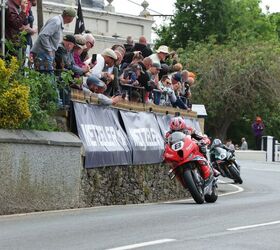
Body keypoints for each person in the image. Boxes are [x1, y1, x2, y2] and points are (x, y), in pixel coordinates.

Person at [31, 7, 76, 72]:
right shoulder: (56, 22)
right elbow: (43, 35)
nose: (72, 20)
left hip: (45, 53)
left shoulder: (58, 21)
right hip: (43, 53)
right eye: (73, 17)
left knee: (46, 77)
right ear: (68, 17)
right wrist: (49, 50)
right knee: (47, 77)